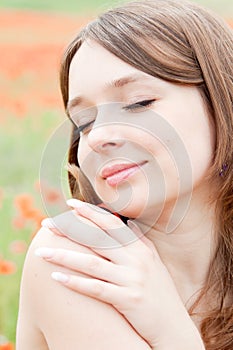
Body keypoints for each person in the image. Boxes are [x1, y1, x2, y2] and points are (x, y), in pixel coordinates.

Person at [16, 0, 233, 349]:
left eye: (138, 103)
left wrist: (169, 328)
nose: (99, 136)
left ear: (221, 101)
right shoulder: (79, 259)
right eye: (84, 123)